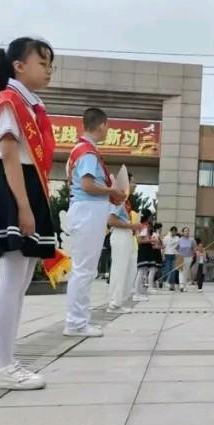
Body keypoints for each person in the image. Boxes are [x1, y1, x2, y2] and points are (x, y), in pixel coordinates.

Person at [0, 37, 61, 390]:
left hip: (30, 187)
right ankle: (1, 365)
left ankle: (7, 360)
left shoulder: (31, 105)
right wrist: (24, 207)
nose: (49, 70)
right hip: (16, 190)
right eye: (43, 63)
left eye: (51, 65)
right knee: (11, 281)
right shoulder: (9, 102)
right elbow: (10, 157)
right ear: (19, 66)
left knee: (21, 283)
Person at [64, 108, 124, 337]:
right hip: (88, 210)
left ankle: (78, 320)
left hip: (86, 210)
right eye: (107, 126)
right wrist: (112, 190)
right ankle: (76, 323)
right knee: (84, 270)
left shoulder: (79, 150)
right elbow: (88, 185)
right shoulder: (88, 153)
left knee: (84, 269)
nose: (107, 130)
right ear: (102, 125)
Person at [105, 198, 137, 313]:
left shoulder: (125, 201)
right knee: (120, 269)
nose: (135, 187)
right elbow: (111, 221)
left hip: (125, 234)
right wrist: (131, 226)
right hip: (121, 234)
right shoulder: (120, 200)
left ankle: (118, 301)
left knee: (128, 269)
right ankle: (115, 303)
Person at [132, 211, 155, 302]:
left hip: (145, 249)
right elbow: (140, 240)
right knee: (141, 271)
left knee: (142, 271)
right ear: (147, 217)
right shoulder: (143, 226)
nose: (151, 218)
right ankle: (136, 294)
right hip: (143, 250)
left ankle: (139, 292)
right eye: (150, 216)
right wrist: (151, 240)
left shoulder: (144, 226)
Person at [176, 226, 195, 292]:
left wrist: (192, 254)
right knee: (181, 271)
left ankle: (184, 286)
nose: (187, 232)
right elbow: (176, 248)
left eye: (188, 231)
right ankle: (181, 285)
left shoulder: (192, 240)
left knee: (186, 272)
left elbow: (194, 248)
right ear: (182, 232)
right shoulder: (179, 240)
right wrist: (179, 255)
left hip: (189, 257)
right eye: (185, 231)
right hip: (180, 257)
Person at [161, 226, 180, 290]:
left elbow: (179, 247)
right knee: (167, 270)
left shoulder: (177, 238)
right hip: (167, 255)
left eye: (175, 231)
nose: (174, 232)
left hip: (174, 255)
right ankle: (162, 281)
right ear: (170, 231)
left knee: (173, 270)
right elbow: (163, 246)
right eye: (173, 231)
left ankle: (172, 285)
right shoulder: (166, 237)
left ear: (176, 232)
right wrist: (163, 255)